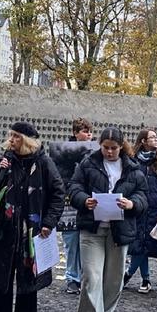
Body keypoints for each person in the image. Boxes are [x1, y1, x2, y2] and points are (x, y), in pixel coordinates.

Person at [0, 122, 65, 312]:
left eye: (16, 136)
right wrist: (1, 169)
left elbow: (57, 193)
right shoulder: (5, 159)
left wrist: (49, 222)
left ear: (27, 141)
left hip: (32, 227)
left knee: (29, 276)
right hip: (4, 226)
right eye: (11, 135)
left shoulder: (44, 163)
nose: (12, 140)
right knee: (2, 273)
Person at [68, 127, 147, 312]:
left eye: (113, 148)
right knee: (91, 275)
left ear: (122, 147)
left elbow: (143, 195)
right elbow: (74, 187)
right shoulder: (88, 163)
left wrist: (132, 203)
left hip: (119, 229)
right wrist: (85, 200)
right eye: (105, 148)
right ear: (100, 145)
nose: (109, 152)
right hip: (92, 227)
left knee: (113, 278)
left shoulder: (133, 168)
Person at [124, 129, 157, 294]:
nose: (156, 140)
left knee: (145, 243)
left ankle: (129, 273)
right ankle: (145, 279)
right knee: (139, 243)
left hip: (154, 206)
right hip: (137, 205)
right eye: (152, 137)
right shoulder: (133, 160)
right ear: (143, 141)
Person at [63, 117, 93, 295]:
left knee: (87, 240)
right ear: (75, 133)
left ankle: (84, 276)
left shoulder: (96, 152)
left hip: (88, 200)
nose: (88, 134)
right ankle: (72, 277)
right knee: (71, 240)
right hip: (68, 203)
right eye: (84, 131)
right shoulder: (64, 152)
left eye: (89, 131)